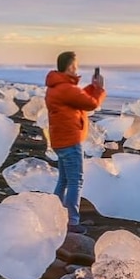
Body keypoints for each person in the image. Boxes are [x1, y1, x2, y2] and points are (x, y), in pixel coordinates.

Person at [45, 51, 106, 234]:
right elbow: (91, 104)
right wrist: (99, 89)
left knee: (64, 179)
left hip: (61, 141)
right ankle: (72, 221)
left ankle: (53, 214)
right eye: (76, 66)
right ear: (71, 66)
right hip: (70, 141)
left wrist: (92, 88)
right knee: (75, 181)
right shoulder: (65, 88)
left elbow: (78, 98)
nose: (77, 69)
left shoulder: (58, 87)